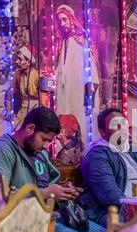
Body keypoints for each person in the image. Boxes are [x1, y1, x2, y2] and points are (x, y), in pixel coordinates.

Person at [0, 107, 105, 232]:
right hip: (26, 226)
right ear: (30, 128)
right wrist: (46, 193)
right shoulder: (1, 151)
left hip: (55, 217)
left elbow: (51, 184)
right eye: (44, 139)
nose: (46, 145)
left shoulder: (39, 153)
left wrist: (64, 191)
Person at [55, 4, 101, 146]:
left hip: (80, 95)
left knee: (83, 126)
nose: (62, 24)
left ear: (71, 19)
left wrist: (89, 97)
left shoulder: (81, 40)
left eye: (65, 20)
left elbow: (91, 72)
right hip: (65, 95)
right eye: (60, 21)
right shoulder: (63, 42)